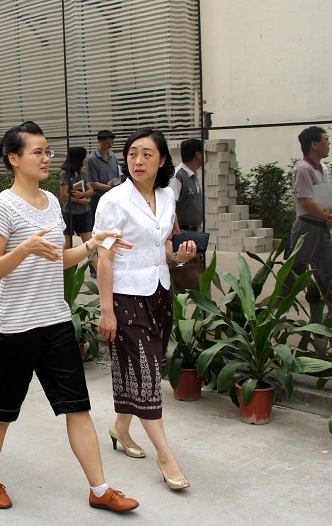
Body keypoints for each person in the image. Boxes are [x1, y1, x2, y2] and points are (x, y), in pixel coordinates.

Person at [0, 121, 139, 513]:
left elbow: (59, 260)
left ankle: (100, 489)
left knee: (77, 407)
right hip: (15, 328)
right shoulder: (1, 206)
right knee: (3, 412)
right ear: (14, 159)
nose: (47, 158)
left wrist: (93, 244)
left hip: (56, 322)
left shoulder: (51, 201)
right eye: (37, 151)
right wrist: (24, 249)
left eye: (48, 150)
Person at [95, 128, 197, 492]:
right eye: (133, 154)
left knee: (144, 369)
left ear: (162, 160)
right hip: (125, 296)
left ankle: (120, 428)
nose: (138, 161)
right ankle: (166, 456)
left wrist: (179, 257)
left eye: (147, 154)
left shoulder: (167, 196)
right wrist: (107, 310)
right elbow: (104, 258)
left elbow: (162, 246)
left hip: (159, 293)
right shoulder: (114, 201)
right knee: (147, 373)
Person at [282, 127, 332, 308]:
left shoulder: (324, 169)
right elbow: (306, 201)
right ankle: (276, 311)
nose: (328, 143)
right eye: (326, 139)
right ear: (314, 145)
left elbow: (327, 198)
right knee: (295, 272)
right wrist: (327, 217)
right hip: (307, 228)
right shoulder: (303, 169)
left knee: (330, 272)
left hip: (323, 227)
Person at [168, 138, 206, 293]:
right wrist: (177, 232)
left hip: (195, 232)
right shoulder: (178, 175)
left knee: (197, 271)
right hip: (183, 232)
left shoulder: (194, 176)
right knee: (184, 274)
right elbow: (171, 205)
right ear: (198, 154)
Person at [87, 130, 120, 278]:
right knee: (99, 232)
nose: (110, 145)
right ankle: (95, 267)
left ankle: (111, 262)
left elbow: (118, 176)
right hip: (99, 198)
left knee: (114, 230)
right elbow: (93, 183)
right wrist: (111, 188)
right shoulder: (92, 159)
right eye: (107, 143)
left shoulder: (113, 157)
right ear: (99, 142)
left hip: (114, 198)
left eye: (112, 142)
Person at [59, 146, 94, 249]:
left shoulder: (82, 173)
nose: (85, 159)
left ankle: (93, 260)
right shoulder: (65, 174)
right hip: (69, 213)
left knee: (89, 245)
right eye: (84, 157)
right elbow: (64, 194)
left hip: (83, 213)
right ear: (78, 158)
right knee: (68, 245)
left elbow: (91, 190)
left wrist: (82, 195)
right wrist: (78, 200)